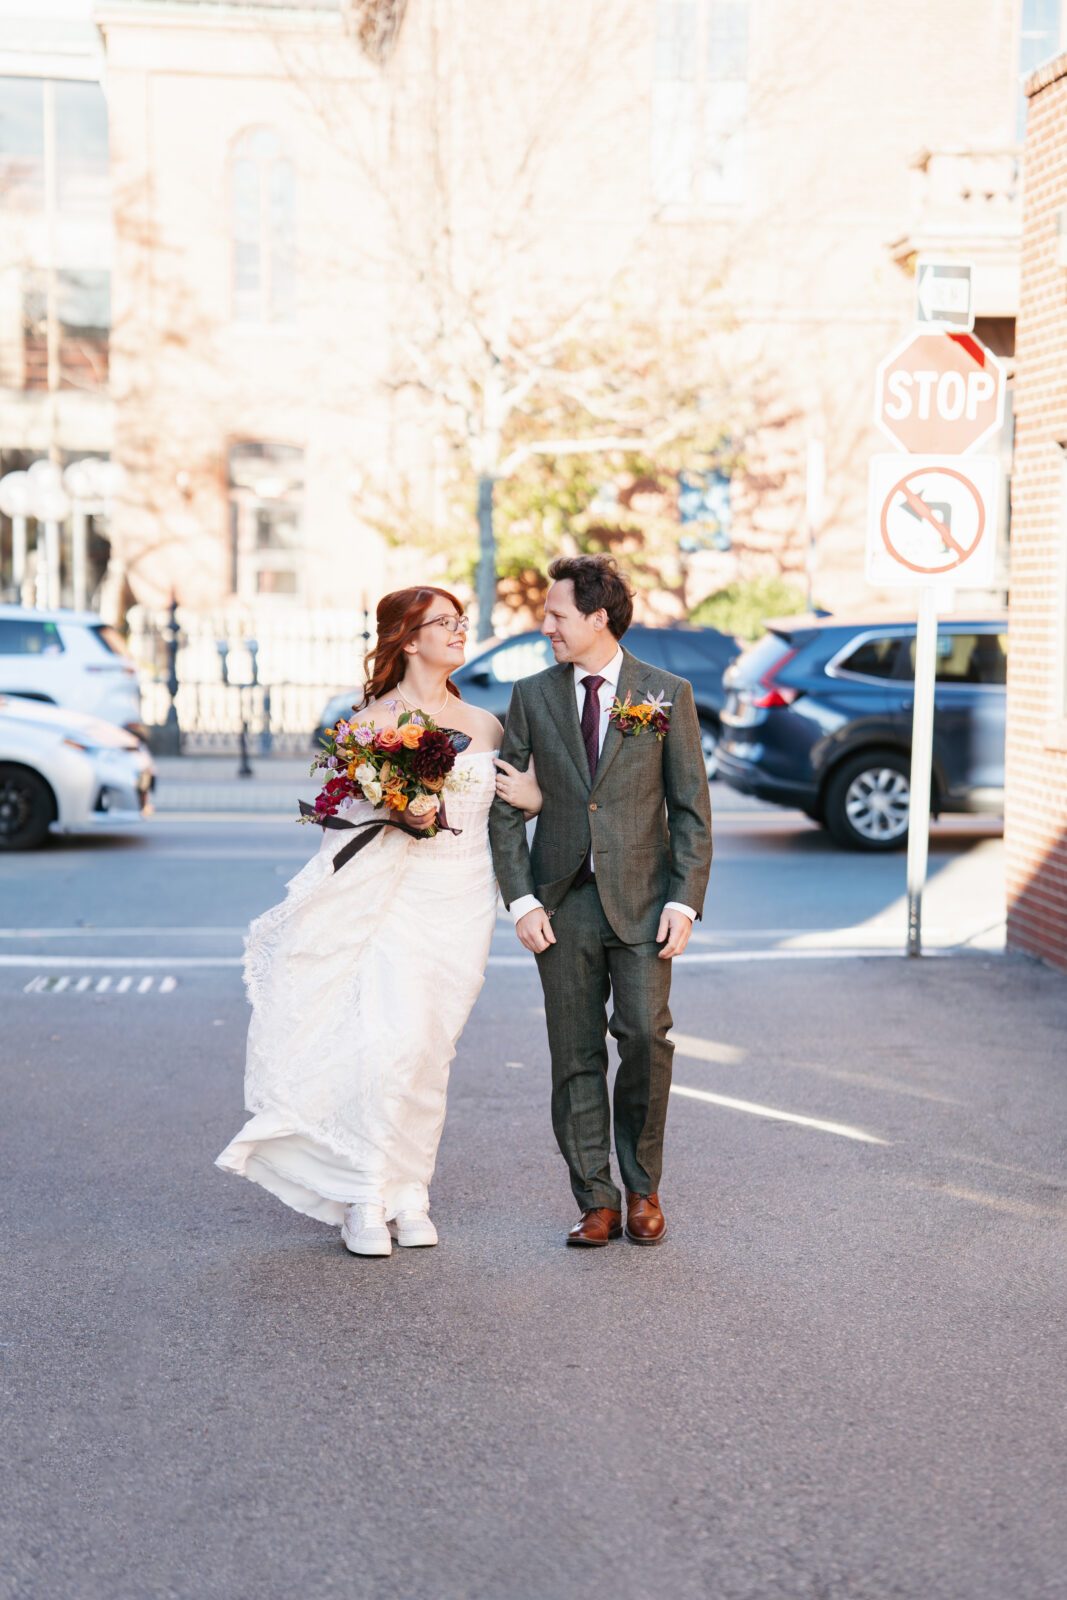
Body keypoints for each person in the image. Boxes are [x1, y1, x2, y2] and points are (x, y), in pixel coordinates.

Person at [216, 587, 541, 1256]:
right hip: (392, 898)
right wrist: (403, 810)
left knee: (430, 1048)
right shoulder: (372, 724)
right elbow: (343, 825)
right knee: (385, 1043)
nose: (458, 632)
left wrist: (533, 799)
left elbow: (515, 809)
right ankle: (368, 1195)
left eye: (460, 622)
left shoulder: (485, 724)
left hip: (464, 900)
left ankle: (410, 1187)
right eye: (443, 624)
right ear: (408, 639)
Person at [489, 555, 713, 1248]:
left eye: (556, 616)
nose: (545, 626)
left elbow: (691, 810)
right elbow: (504, 805)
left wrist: (685, 902)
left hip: (645, 903)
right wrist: (521, 900)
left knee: (646, 1036)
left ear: (597, 618)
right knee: (574, 1053)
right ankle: (596, 1198)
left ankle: (642, 1187)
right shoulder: (531, 696)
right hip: (561, 902)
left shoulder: (664, 692)